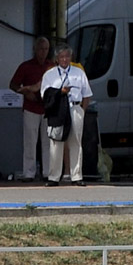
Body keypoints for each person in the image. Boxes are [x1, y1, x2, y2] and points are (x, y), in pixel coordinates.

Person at [40, 45, 92, 185]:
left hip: (75, 108)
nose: (64, 59)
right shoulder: (49, 74)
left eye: (67, 56)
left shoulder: (78, 72)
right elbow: (45, 95)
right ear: (57, 59)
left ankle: (76, 176)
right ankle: (54, 177)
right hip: (58, 111)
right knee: (56, 142)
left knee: (75, 142)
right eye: (61, 57)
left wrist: (82, 111)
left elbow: (87, 94)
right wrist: (60, 92)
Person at [9, 36, 53, 181]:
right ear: (34, 49)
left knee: (48, 141)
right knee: (30, 141)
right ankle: (29, 173)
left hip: (48, 108)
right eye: (40, 49)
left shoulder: (51, 66)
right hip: (31, 107)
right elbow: (13, 85)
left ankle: (48, 172)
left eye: (46, 49)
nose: (43, 52)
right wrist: (26, 92)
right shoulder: (25, 66)